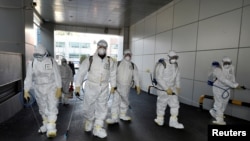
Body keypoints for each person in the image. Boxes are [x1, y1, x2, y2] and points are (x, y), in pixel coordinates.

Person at [74, 39, 116, 138]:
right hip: (91, 86)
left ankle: (98, 127)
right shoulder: (90, 59)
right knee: (88, 105)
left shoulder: (110, 61)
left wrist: (113, 85)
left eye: (104, 47)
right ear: (97, 47)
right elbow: (81, 72)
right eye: (100, 46)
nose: (102, 48)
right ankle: (89, 120)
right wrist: (77, 86)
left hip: (104, 87)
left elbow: (113, 73)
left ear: (106, 49)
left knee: (102, 107)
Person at [23, 45, 62, 138]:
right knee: (42, 107)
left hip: (51, 87)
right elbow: (28, 78)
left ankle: (51, 128)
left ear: (45, 53)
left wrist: (59, 88)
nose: (38, 57)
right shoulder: (32, 64)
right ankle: (45, 124)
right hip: (38, 89)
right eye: (36, 55)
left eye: (40, 55)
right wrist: (26, 90)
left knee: (52, 107)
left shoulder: (52, 61)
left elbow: (57, 75)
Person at [106, 49, 141, 124]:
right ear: (123, 55)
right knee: (115, 101)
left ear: (131, 56)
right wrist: (113, 85)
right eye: (126, 54)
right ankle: (114, 118)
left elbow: (136, 76)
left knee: (125, 101)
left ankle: (122, 115)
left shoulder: (133, 65)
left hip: (127, 87)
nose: (128, 56)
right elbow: (112, 75)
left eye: (129, 54)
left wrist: (137, 85)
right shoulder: (117, 63)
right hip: (117, 87)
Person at [153, 50, 184, 129]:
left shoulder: (175, 65)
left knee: (175, 104)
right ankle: (159, 119)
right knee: (162, 104)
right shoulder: (162, 64)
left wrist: (178, 86)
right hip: (163, 89)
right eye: (173, 57)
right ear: (168, 57)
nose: (174, 59)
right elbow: (158, 78)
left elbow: (177, 76)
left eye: (175, 57)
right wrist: (166, 88)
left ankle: (173, 122)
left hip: (173, 88)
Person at [209, 57, 242, 125]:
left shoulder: (231, 68)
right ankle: (220, 120)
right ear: (222, 62)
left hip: (227, 89)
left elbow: (232, 77)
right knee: (219, 103)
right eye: (225, 63)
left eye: (229, 63)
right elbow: (223, 79)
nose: (227, 65)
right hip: (218, 88)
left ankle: (217, 114)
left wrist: (235, 84)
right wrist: (235, 85)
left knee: (224, 104)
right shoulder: (217, 68)